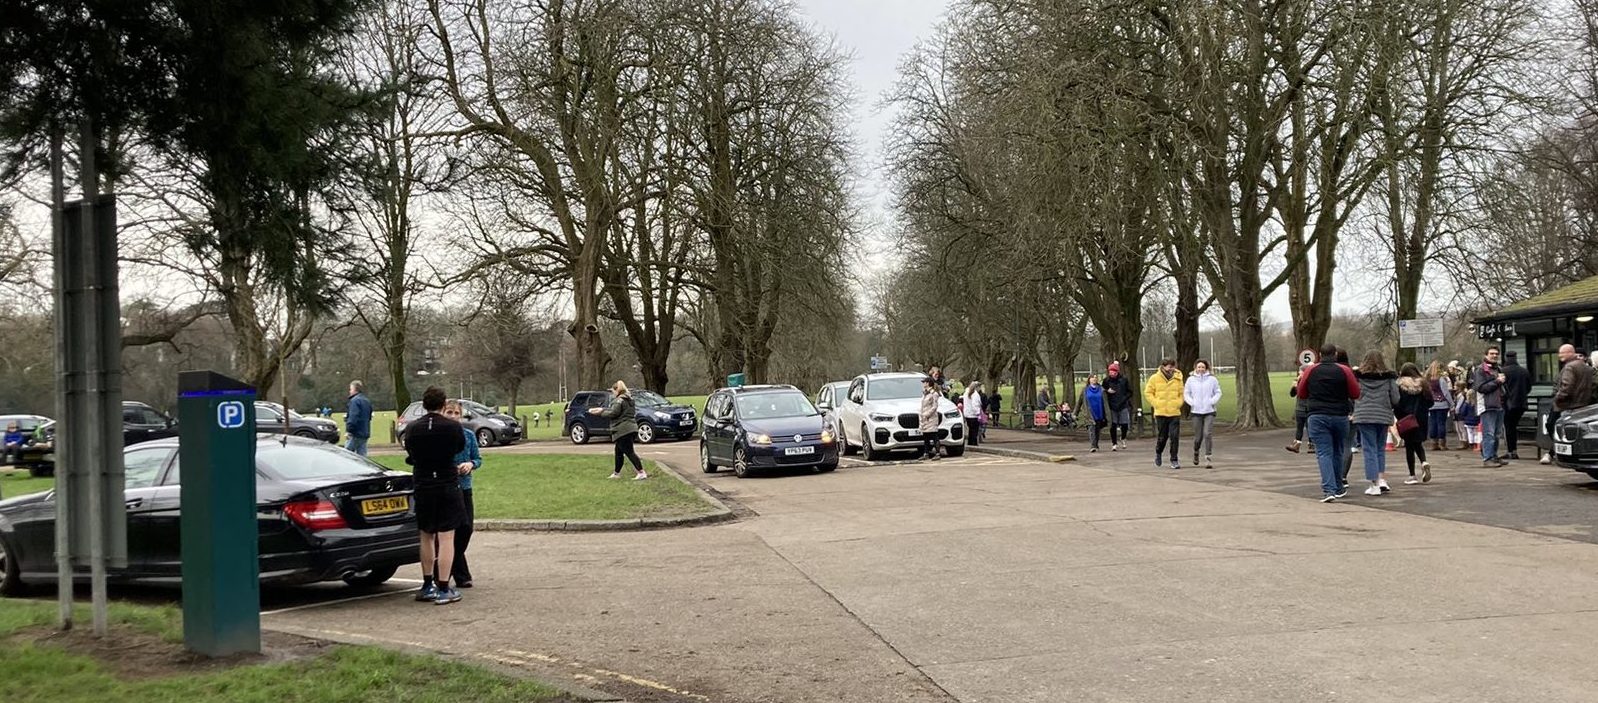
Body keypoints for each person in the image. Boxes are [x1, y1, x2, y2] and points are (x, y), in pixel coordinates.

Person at [403, 386, 467, 605]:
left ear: (424, 405)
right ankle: (443, 586)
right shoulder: (452, 428)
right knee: (447, 536)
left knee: (426, 534)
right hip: (446, 482)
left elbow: (410, 452)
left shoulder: (412, 428)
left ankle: (426, 583)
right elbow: (458, 448)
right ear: (442, 405)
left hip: (423, 483)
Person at [1299, 342, 1360, 502]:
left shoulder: (1311, 370)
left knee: (1324, 452)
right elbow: (1355, 393)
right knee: (1338, 451)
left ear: (1319, 354)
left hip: (1317, 415)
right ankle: (1339, 486)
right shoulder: (1345, 371)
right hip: (1339, 415)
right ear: (1335, 355)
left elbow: (1302, 392)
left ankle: (1329, 490)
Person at [441, 401, 482, 588]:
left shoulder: (468, 435)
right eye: (449, 412)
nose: (453, 415)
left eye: (456, 412)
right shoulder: (439, 437)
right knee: (451, 530)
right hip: (447, 487)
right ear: (443, 413)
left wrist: (471, 464)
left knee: (466, 528)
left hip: (465, 487)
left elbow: (477, 458)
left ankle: (445, 568)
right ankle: (461, 575)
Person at [1351, 350, 1399, 496]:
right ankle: (1381, 479)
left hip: (1364, 415)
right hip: (1383, 415)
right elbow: (1396, 398)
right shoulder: (1389, 377)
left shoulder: (1358, 377)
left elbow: (1354, 394)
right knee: (1379, 448)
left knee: (1369, 449)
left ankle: (1374, 484)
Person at [1546, 343, 1596, 464]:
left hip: (1567, 405)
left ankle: (1560, 453)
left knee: (1558, 428)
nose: (1559, 356)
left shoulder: (1569, 367)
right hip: (1584, 404)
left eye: (1562, 353)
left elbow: (1566, 387)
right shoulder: (1586, 367)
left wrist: (1558, 398)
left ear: (1570, 353)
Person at [590, 381, 647, 479]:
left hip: (622, 429)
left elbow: (613, 413)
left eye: (613, 391)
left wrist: (600, 412)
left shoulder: (619, 400)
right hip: (631, 427)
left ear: (617, 390)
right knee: (618, 451)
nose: (613, 394)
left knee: (629, 452)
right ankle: (616, 473)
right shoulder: (630, 399)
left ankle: (641, 472)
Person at [1395, 363, 1432, 485]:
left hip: (1406, 418)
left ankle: (1412, 475)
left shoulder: (1400, 384)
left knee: (1409, 446)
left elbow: (1397, 402)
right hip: (1421, 418)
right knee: (1417, 442)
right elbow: (1430, 401)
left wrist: (1399, 415)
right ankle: (1424, 461)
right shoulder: (1424, 383)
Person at [1144, 358, 1184, 469]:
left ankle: (1174, 459)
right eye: (1169, 366)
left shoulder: (1178, 378)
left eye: (1173, 366)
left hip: (1174, 412)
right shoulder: (1154, 378)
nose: (1171, 369)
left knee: (1174, 437)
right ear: (1163, 366)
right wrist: (1156, 403)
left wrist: (1178, 403)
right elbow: (1148, 392)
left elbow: (1181, 393)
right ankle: (1158, 451)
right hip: (1161, 412)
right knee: (1163, 436)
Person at [1473, 347, 1509, 468]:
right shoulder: (1480, 370)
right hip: (1487, 405)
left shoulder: (1498, 368)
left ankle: (1493, 456)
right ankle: (1487, 458)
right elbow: (1480, 388)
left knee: (1497, 433)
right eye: (1491, 353)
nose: (1494, 356)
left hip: (1499, 404)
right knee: (1488, 433)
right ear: (1486, 355)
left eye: (1496, 354)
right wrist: (1497, 382)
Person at [1184, 359, 1222, 468]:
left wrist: (1212, 401)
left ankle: (1208, 457)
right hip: (1196, 412)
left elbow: (1218, 392)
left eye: (1203, 367)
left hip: (1209, 411)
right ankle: (1196, 451)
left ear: (1206, 368)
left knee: (1207, 434)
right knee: (1198, 437)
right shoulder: (1191, 380)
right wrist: (1192, 402)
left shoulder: (1212, 380)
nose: (1201, 369)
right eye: (1199, 367)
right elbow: (1186, 393)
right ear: (1195, 368)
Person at [1502, 351, 1531, 459]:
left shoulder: (1503, 371)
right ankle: (1513, 450)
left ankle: (1511, 450)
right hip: (1522, 403)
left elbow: (1501, 388)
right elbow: (1528, 387)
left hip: (1508, 403)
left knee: (1509, 427)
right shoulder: (1524, 371)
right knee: (1513, 426)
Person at [1102, 361, 1133, 450]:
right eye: (1110, 371)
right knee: (1113, 425)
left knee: (1124, 425)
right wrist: (1108, 391)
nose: (1112, 373)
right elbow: (1102, 390)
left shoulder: (1124, 380)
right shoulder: (1106, 381)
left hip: (1123, 405)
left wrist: (1124, 399)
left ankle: (1123, 437)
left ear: (1117, 372)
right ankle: (1114, 443)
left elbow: (1130, 392)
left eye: (1114, 371)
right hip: (1112, 406)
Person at [1425, 361, 1454, 451]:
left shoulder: (1427, 380)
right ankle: (1442, 443)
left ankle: (1434, 443)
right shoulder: (1441, 379)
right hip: (1442, 404)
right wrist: (1452, 404)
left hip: (1431, 404)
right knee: (1441, 423)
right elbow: (1445, 393)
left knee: (1432, 423)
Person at [1285, 361, 1313, 453]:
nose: (1299, 373)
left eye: (1301, 372)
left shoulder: (1310, 382)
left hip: (1309, 408)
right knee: (1299, 427)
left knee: (1310, 427)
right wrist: (1294, 387)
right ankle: (1297, 444)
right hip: (1300, 408)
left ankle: (1312, 445)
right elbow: (1292, 394)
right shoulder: (1298, 381)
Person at [345, 380, 374, 457]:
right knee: (362, 457)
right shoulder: (366, 401)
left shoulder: (354, 401)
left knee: (346, 455)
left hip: (355, 433)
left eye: (350, 389)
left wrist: (349, 430)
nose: (349, 391)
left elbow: (353, 417)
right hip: (365, 432)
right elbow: (369, 416)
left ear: (355, 389)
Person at [918, 377, 942, 461]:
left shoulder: (933, 394)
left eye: (924, 382)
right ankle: (926, 453)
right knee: (926, 437)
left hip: (931, 418)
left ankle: (938, 453)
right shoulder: (925, 394)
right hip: (924, 419)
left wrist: (927, 414)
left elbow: (934, 406)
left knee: (934, 436)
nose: (923, 384)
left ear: (928, 383)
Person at [1082, 374, 1107, 452]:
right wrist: (1075, 413)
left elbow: (1105, 403)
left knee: (1097, 430)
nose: (1094, 379)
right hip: (1089, 412)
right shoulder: (1085, 390)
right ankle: (1093, 446)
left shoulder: (1101, 389)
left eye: (1096, 378)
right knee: (1091, 428)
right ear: (1089, 379)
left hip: (1099, 412)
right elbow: (1079, 402)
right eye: (1092, 378)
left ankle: (1096, 444)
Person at [962, 381, 985, 447]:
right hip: (973, 415)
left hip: (967, 414)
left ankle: (970, 443)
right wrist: (978, 413)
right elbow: (975, 405)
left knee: (971, 430)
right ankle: (973, 444)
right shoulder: (975, 394)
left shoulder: (966, 393)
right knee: (974, 431)